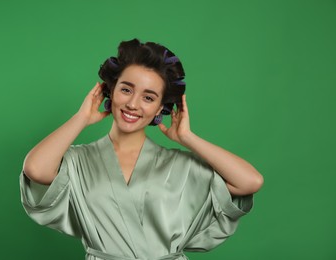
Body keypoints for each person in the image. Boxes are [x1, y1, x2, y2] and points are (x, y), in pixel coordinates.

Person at [19, 38, 263, 260]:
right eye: (126, 89)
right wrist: (81, 117)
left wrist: (187, 137)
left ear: (160, 108)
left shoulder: (181, 165)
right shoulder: (77, 160)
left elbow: (250, 181)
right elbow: (36, 169)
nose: (133, 104)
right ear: (110, 91)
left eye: (148, 97)